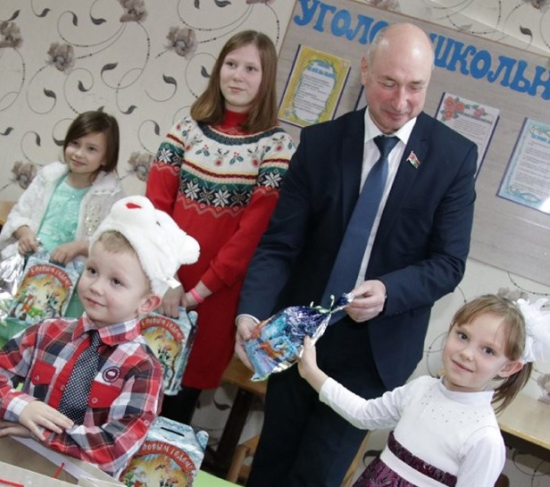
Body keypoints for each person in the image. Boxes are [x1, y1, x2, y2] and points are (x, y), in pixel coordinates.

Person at [235, 23, 478, 487]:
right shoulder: (322, 143)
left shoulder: (453, 158)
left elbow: (449, 263)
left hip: (373, 352)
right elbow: (281, 244)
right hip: (298, 335)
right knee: (272, 463)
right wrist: (251, 312)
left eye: (415, 87)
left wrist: (389, 290)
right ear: (365, 71)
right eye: (389, 83)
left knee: (318, 475)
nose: (401, 101)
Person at [0, 195, 200, 477]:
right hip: (15, 468)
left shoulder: (144, 369)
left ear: (147, 303)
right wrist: (21, 407)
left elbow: (114, 448)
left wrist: (44, 433)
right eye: (92, 271)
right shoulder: (48, 331)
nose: (96, 287)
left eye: (116, 281)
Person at [146, 30, 294, 423]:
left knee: (177, 405)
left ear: (266, 78)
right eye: (231, 64)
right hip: (160, 281)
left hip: (215, 298)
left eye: (250, 69)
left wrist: (196, 294)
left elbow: (252, 235)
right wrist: (168, 279)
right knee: (132, 382)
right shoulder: (186, 128)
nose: (237, 75)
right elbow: (155, 210)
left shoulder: (277, 147)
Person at [298, 294, 537, 486]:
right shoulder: (421, 388)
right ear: (451, 329)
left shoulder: (484, 438)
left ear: (508, 367)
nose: (466, 353)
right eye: (463, 336)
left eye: (488, 351)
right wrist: (312, 372)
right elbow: (363, 414)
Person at [0, 110, 125, 332]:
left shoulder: (110, 194)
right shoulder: (49, 178)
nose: (79, 153)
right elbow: (19, 214)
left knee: (43, 338)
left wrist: (79, 247)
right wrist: (24, 234)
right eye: (74, 143)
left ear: (106, 157)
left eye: (91, 149)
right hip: (25, 269)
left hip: (68, 281)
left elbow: (112, 243)